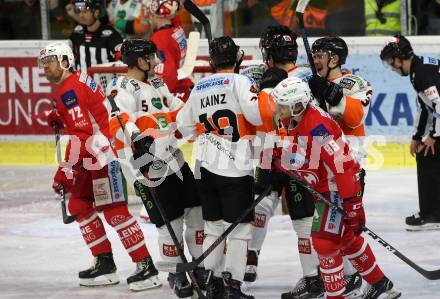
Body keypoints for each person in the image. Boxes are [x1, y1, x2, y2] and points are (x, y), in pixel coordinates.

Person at [39, 41, 161, 292]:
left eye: (49, 61)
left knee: (114, 210)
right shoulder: (74, 83)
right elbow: (88, 121)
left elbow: (83, 134)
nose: (45, 68)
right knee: (79, 204)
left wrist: (65, 169)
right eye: (43, 63)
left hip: (104, 156)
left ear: (64, 61)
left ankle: (146, 266)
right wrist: (63, 119)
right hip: (95, 153)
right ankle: (105, 263)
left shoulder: (68, 90)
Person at [269, 76, 401, 299]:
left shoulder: (317, 126)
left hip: (338, 189)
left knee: (324, 241)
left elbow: (342, 165)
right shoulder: (296, 120)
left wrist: (353, 203)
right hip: (325, 189)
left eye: (282, 104)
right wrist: (280, 158)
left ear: (297, 105)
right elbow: (305, 158)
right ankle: (381, 284)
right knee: (346, 239)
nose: (277, 108)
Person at [106, 38, 206, 298]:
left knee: (196, 212)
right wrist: (137, 139)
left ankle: (200, 266)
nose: (157, 62)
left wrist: (196, 121)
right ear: (140, 61)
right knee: (169, 223)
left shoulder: (157, 83)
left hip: (175, 159)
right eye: (152, 57)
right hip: (149, 167)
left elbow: (176, 110)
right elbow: (118, 122)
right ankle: (176, 272)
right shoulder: (122, 88)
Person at [176, 36, 261, 299]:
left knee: (212, 227)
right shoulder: (241, 81)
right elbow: (257, 115)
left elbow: (183, 126)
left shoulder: (199, 87)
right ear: (237, 58)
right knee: (239, 229)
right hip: (235, 167)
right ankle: (232, 285)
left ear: (212, 61)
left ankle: (212, 284)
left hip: (204, 166)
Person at [380, 35, 440, 231]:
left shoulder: (420, 74)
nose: (392, 68)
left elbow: (439, 106)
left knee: (429, 155)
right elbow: (426, 108)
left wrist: (433, 136)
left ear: (398, 59)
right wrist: (417, 137)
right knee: (427, 153)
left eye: (390, 63)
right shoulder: (419, 68)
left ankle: (433, 214)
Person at [149, 0, 193, 102]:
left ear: (158, 15)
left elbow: (167, 74)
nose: (150, 18)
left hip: (173, 96)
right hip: (184, 90)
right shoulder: (177, 28)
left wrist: (161, 98)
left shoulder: (159, 38)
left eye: (151, 14)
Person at [70, 0, 123, 73]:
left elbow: (122, 59)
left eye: (85, 11)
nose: (81, 15)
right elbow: (71, 58)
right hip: (82, 83)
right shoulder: (77, 32)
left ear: (96, 12)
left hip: (106, 82)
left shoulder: (111, 34)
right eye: (79, 11)